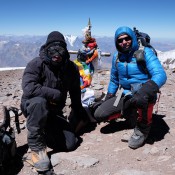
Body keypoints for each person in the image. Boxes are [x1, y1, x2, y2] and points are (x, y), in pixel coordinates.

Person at [20, 31, 88, 172]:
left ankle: (44, 130)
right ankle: (36, 146)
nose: (56, 54)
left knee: (71, 144)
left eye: (60, 49)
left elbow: (75, 91)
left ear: (65, 50)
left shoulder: (71, 68)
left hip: (53, 111)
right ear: (47, 49)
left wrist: (79, 111)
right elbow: (28, 89)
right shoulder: (36, 64)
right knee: (39, 102)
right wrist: (55, 94)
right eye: (52, 49)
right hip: (33, 107)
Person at [94, 26, 167, 149]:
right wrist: (109, 97)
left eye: (127, 38)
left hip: (144, 94)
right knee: (99, 114)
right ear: (116, 42)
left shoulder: (145, 52)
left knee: (143, 99)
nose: (124, 42)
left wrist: (146, 90)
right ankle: (130, 114)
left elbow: (160, 74)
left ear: (132, 38)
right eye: (120, 40)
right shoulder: (117, 56)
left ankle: (143, 127)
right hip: (125, 93)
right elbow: (114, 79)